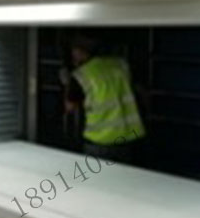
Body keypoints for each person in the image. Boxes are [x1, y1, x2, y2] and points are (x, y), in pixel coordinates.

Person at [62, 34, 145, 163]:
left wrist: (67, 83)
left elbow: (70, 107)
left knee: (95, 175)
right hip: (127, 138)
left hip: (99, 140)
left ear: (80, 51)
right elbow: (141, 91)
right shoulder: (121, 65)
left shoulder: (81, 75)